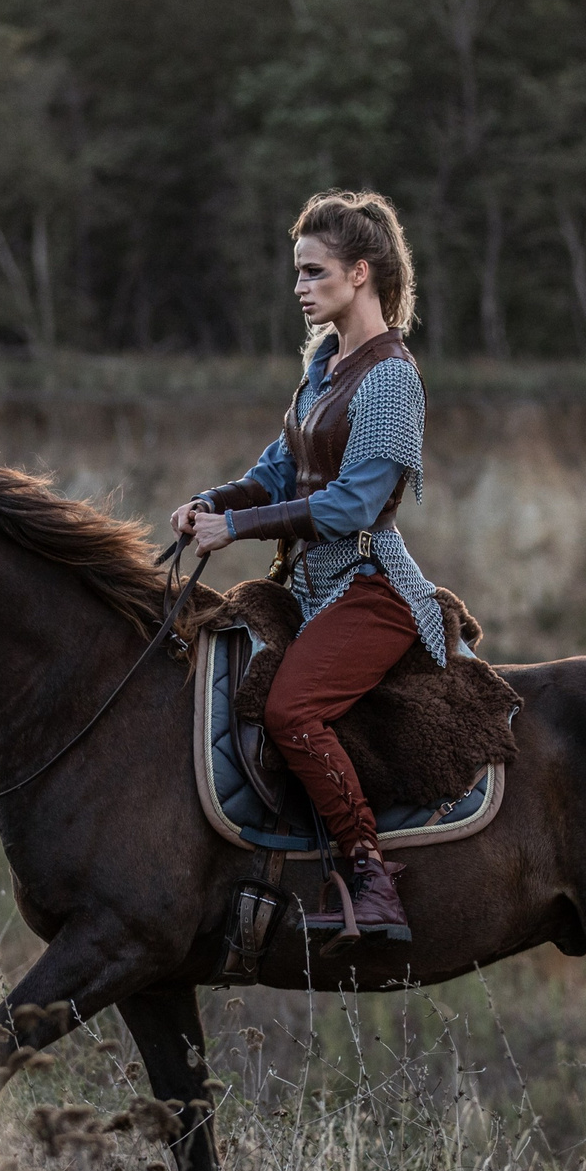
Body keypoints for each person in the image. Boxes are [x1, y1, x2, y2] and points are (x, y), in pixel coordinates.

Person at [171, 189, 442, 941]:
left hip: (374, 586)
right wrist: (211, 502)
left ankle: (373, 879)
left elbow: (354, 505)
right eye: (296, 271)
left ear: (360, 273)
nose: (299, 286)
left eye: (313, 271)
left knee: (291, 710)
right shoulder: (324, 365)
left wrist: (236, 527)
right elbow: (277, 471)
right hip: (314, 585)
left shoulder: (390, 376)